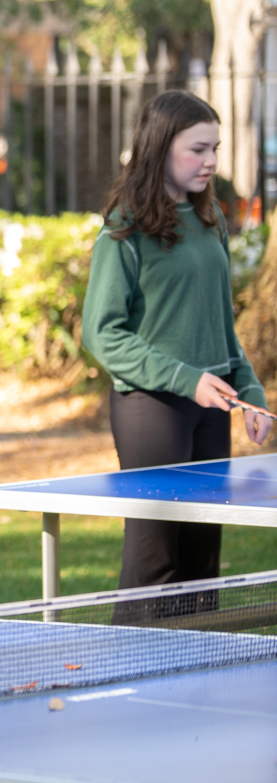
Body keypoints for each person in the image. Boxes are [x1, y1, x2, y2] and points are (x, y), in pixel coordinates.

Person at [82, 90, 272, 601]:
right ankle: (132, 676)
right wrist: (186, 380)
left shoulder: (211, 223)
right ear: (160, 148)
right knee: (155, 564)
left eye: (215, 148)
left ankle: (196, 676)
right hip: (153, 408)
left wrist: (249, 390)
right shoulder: (125, 231)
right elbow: (101, 333)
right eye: (198, 149)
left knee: (201, 559)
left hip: (213, 407)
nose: (211, 161)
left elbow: (220, 326)